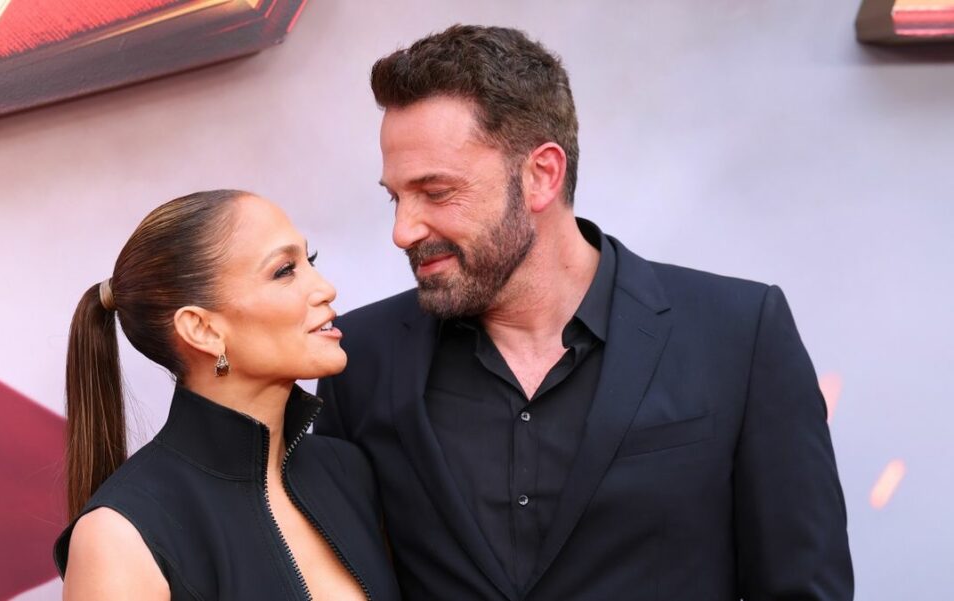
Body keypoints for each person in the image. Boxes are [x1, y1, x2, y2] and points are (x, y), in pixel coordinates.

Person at [315, 25, 853, 601]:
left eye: (437, 192)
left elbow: (803, 588)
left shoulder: (739, 334)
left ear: (542, 174)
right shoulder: (360, 356)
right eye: (396, 197)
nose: (403, 231)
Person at [54, 190, 399, 600]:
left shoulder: (347, 471)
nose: (325, 288)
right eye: (285, 270)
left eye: (312, 261)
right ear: (202, 329)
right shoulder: (118, 537)